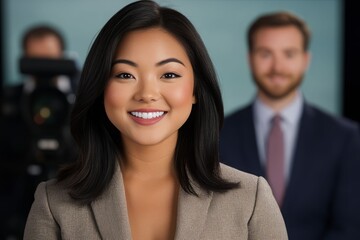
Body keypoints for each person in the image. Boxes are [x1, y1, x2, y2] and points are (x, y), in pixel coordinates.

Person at [23, 1, 288, 239]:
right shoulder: (53, 203)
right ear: (101, 88)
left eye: (169, 75)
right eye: (125, 75)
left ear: (196, 90)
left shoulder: (250, 200)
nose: (147, 94)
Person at [220, 11, 360, 240]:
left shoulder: (344, 138)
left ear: (305, 59)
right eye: (266, 53)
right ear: (250, 58)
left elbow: (350, 228)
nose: (277, 66)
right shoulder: (218, 133)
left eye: (289, 54)